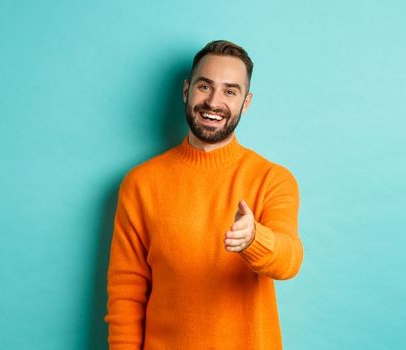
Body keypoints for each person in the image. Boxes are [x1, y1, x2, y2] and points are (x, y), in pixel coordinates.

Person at [104, 40, 303, 349]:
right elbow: (126, 291)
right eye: (204, 87)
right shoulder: (140, 183)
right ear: (186, 91)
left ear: (245, 103)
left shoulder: (273, 179)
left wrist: (254, 239)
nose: (213, 102)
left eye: (230, 91)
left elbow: (289, 259)